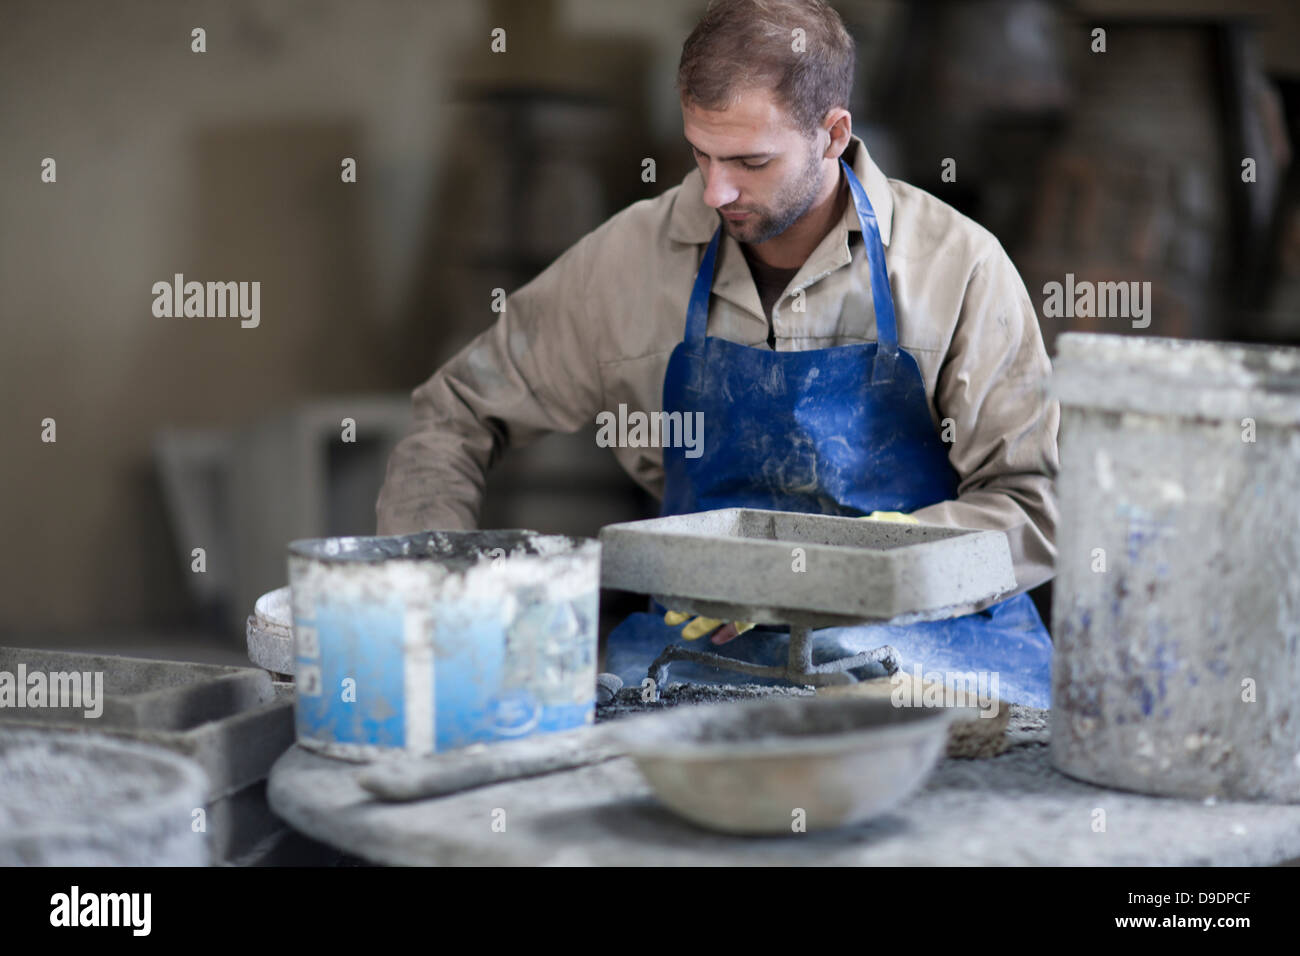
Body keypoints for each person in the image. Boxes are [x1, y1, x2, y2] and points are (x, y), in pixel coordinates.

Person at [376, 0, 1059, 706]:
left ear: (832, 135)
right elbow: (452, 415)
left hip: (929, 651)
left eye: (750, 161)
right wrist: (432, 585)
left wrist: (861, 569)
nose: (715, 190)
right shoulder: (630, 262)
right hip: (700, 658)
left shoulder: (958, 266)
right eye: (700, 153)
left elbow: (1035, 509)